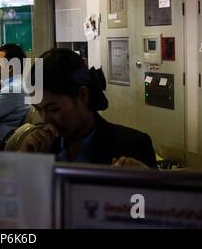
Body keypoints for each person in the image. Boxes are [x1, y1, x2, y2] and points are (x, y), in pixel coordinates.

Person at [18, 48, 157, 169]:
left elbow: (156, 198)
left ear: (83, 95)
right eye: (39, 110)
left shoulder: (131, 145)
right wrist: (22, 162)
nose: (46, 119)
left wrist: (145, 182)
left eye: (54, 109)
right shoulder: (39, 146)